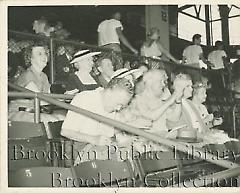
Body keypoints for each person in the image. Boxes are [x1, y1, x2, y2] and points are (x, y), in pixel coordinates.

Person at [61, 73, 136, 164]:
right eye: (118, 104)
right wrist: (93, 139)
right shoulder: (85, 98)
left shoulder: (112, 107)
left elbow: (112, 135)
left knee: (134, 152)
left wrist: (125, 140)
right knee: (113, 158)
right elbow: (65, 131)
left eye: (122, 106)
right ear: (109, 92)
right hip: (82, 148)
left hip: (104, 148)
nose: (118, 108)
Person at [8, 42, 65, 136]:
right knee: (51, 121)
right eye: (39, 54)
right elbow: (42, 100)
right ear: (30, 59)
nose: (44, 56)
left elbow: (48, 98)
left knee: (63, 118)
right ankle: (51, 148)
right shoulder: (27, 75)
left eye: (45, 53)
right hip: (19, 111)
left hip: (35, 111)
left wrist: (60, 101)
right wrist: (61, 100)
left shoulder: (44, 76)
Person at [120, 69, 189, 136]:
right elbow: (152, 116)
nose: (163, 84)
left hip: (161, 141)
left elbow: (174, 118)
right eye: (160, 81)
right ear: (150, 82)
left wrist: (178, 101)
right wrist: (172, 97)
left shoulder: (159, 101)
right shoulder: (138, 100)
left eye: (164, 81)